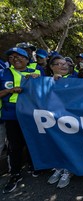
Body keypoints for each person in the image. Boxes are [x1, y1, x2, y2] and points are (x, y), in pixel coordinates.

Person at [1, 47, 42, 194]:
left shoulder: (37, 73)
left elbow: (48, 90)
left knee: (33, 140)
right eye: (11, 57)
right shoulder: (3, 73)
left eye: (19, 56)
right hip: (12, 115)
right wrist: (9, 91)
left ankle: (34, 165)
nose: (15, 59)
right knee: (14, 146)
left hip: (33, 114)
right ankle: (15, 174)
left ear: (27, 59)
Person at [46, 55, 75, 188]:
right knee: (56, 144)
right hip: (52, 118)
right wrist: (51, 81)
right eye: (59, 64)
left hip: (70, 118)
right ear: (51, 67)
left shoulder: (75, 80)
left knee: (69, 143)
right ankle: (59, 167)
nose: (64, 66)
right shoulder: (43, 81)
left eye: (65, 64)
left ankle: (68, 170)